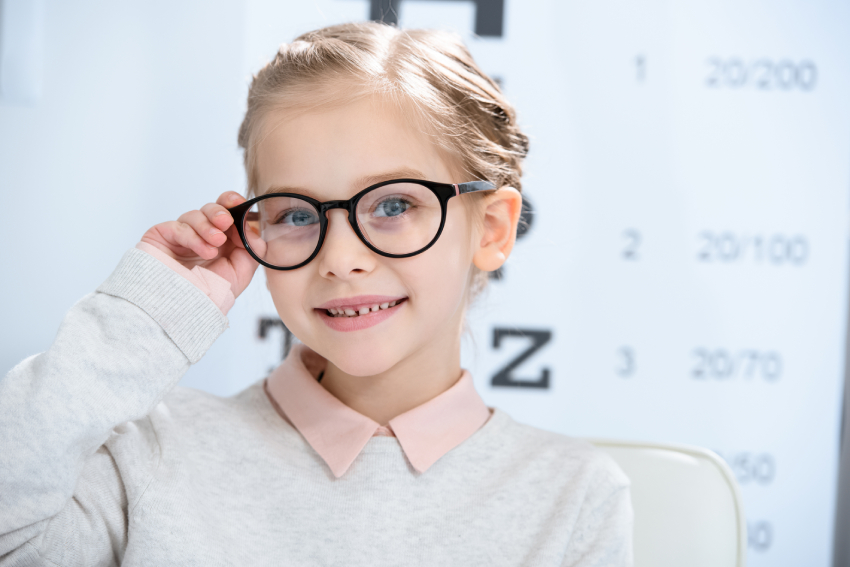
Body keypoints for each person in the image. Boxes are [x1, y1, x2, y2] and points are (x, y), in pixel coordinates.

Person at [0, 21, 632, 566]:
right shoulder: (149, 457)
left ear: (490, 228)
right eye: (298, 214)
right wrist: (146, 314)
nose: (340, 259)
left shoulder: (572, 496)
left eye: (392, 205)